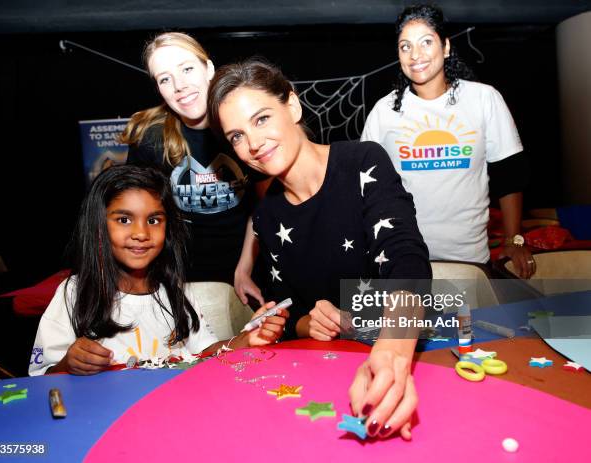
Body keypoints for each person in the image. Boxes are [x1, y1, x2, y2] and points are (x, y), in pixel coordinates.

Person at [208, 59, 431, 439]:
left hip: (406, 353)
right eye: (236, 136)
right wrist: (306, 323)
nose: (253, 144)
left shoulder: (363, 160)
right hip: (322, 386)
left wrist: (390, 348)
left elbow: (407, 259)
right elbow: (289, 309)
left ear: (292, 107)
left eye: (261, 119)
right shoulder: (265, 217)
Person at [28, 165, 287, 376]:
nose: (141, 233)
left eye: (153, 220)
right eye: (124, 220)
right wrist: (68, 365)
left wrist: (244, 339)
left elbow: (202, 354)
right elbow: (41, 378)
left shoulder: (174, 291)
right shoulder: (74, 292)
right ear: (98, 226)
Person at [361, 4, 535, 278]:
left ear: (445, 47)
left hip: (469, 262)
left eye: (426, 42)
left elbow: (510, 173)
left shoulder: (484, 99)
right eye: (405, 46)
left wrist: (513, 240)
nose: (415, 55)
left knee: (468, 323)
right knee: (407, 324)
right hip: (402, 259)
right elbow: (365, 187)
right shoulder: (384, 112)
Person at [121, 32, 268, 300]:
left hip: (250, 270)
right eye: (165, 78)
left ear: (209, 68)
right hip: (179, 278)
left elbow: (265, 206)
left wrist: (245, 269)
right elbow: (143, 216)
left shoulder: (243, 123)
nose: (179, 85)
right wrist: (161, 275)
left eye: (187, 69)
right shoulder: (150, 138)